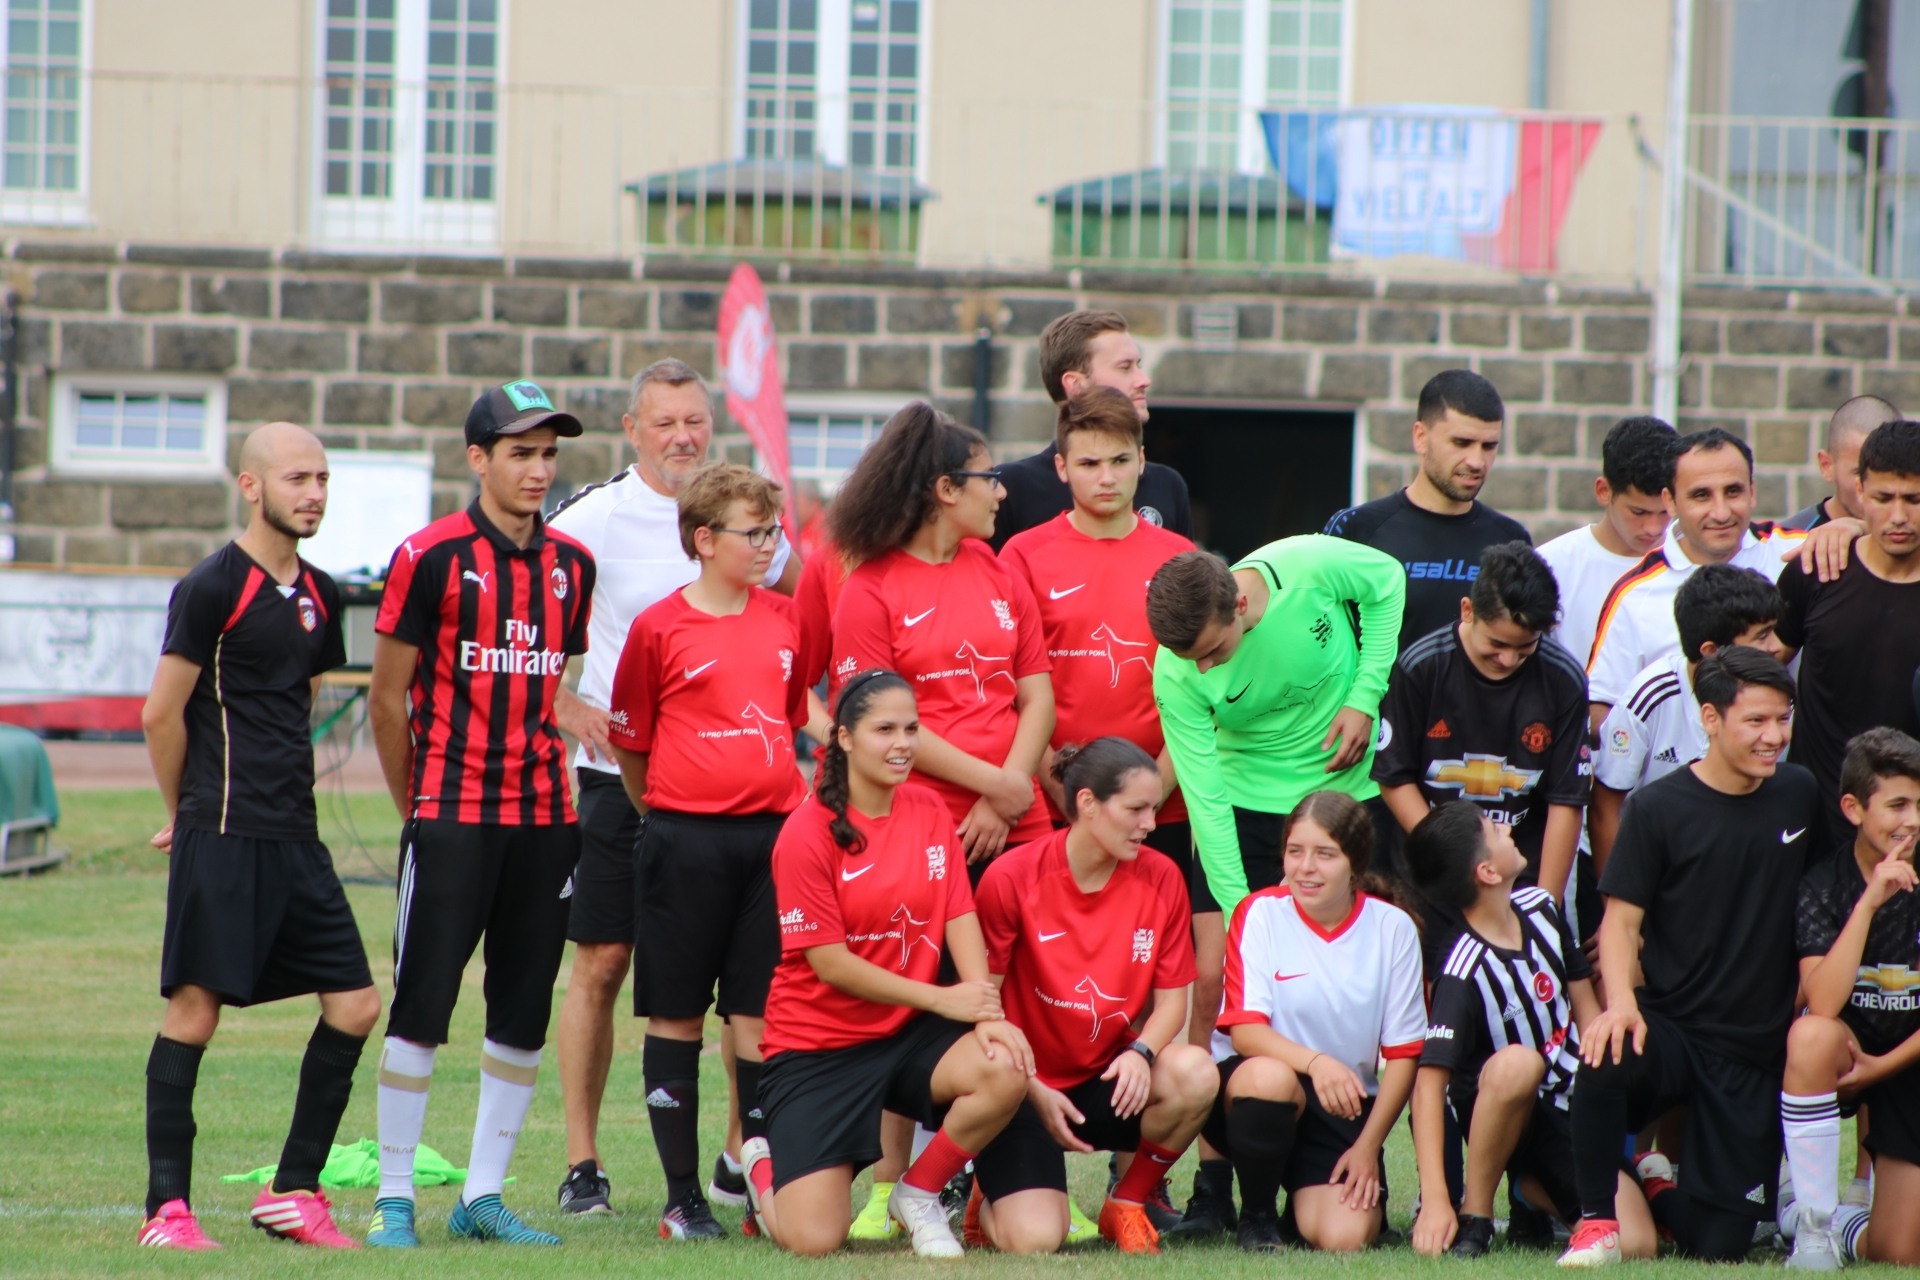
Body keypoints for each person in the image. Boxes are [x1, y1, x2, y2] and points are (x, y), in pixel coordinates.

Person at [547, 358, 797, 1217]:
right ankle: (583, 1162)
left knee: (746, 985)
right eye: (665, 423)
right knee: (604, 961)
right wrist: (565, 704)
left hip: (733, 801)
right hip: (621, 776)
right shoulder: (590, 518)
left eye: (695, 420)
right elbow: (523, 621)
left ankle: (737, 1157)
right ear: (632, 430)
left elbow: (785, 633)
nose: (683, 437)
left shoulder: (749, 519)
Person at [134, 423, 379, 1250]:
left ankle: (294, 1191)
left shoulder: (324, 594)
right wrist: (184, 811)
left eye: (323, 478)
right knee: (195, 1012)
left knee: (356, 1004)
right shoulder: (211, 587)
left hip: (296, 837)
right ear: (252, 486)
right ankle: (166, 1211)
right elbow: (160, 714)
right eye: (297, 478)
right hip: (223, 831)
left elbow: (299, 700)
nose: (313, 493)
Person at [365, 380, 596, 1249]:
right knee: (421, 1007)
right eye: (519, 453)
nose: (538, 470)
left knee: (523, 1013)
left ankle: (483, 1196)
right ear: (477, 459)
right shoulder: (428, 556)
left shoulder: (573, 566)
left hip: (545, 821)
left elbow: (556, 684)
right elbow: (386, 702)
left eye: (548, 454)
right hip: (451, 814)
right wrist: (419, 808)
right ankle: (395, 1198)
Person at [1143, 535, 1404, 1237]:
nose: (1202, 668)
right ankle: (1213, 1185)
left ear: (1239, 603)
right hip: (1245, 810)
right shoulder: (1176, 669)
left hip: (1343, 796)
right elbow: (1204, 797)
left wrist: (1364, 696)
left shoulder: (1307, 565)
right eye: (1190, 659)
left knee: (1359, 976)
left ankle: (1350, 1153)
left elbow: (1387, 581)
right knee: (1213, 983)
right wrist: (1245, 915)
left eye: (1212, 651)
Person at [737, 670, 1033, 1258]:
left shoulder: (927, 808)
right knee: (813, 1241)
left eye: (912, 729)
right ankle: (760, 1163)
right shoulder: (806, 832)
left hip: (906, 1032)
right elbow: (830, 964)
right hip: (819, 1045)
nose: (903, 743)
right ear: (844, 738)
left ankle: (918, 1193)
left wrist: (984, 1010)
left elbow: (958, 911)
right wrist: (942, 998)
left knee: (1003, 1066)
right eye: (885, 730)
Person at [602, 463, 809, 1240]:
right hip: (683, 840)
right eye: (753, 532)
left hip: (772, 842)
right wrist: (666, 812)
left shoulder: (787, 618)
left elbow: (791, 714)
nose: (768, 545)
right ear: (704, 539)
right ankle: (682, 1197)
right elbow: (632, 746)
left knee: (758, 1017)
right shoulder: (659, 627)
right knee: (678, 1016)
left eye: (772, 530)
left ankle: (756, 1185)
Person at [1559, 647, 1818, 1266]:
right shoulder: (1656, 808)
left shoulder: (1800, 793)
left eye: (1782, 719)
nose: (1774, 736)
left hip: (1751, 1049)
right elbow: (1621, 922)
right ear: (1710, 718)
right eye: (1756, 721)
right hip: (1669, 1027)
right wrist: (1621, 1004)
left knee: (1720, 1248)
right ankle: (1597, 1221)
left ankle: (1656, 1187)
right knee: (1605, 1051)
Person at [998, 385, 1199, 1026]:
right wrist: (1057, 789)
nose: (1105, 477)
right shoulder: (1023, 556)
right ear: (1061, 467)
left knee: (1148, 977)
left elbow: (1199, 701)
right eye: (1088, 463)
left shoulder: (1180, 559)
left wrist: (1149, 795)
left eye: (1119, 460)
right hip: (1055, 803)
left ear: (1142, 461)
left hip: (1162, 806)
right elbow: (1012, 691)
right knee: (1051, 975)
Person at [968, 738, 1214, 1255]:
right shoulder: (1012, 876)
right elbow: (983, 1008)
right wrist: (1030, 1086)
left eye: (1154, 809)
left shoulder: (1162, 876)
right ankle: (984, 1197)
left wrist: (1141, 1053)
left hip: (1105, 1075)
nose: (1151, 823)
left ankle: (1126, 1201)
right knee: (1036, 1240)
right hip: (1020, 1085)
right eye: (1136, 809)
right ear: (1087, 804)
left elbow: (1173, 1002)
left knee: (1195, 1072)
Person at [1406, 804, 1659, 1260]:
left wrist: (1602, 1090)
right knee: (1519, 1063)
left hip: (1571, 1106)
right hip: (1511, 1114)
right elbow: (1427, 1089)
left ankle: (1533, 1190)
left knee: (1638, 1243)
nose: (1506, 826)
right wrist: (1437, 1200)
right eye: (1493, 828)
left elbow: (1586, 1010)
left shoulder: (1542, 908)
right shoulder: (1462, 971)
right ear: (1487, 872)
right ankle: (1477, 1214)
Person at [828, 402, 1055, 868]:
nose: (1001, 492)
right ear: (947, 489)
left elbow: (1039, 700)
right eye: (989, 478)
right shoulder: (870, 589)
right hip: (925, 818)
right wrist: (995, 785)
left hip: (1017, 814)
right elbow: (881, 720)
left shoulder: (1003, 575)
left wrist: (1007, 793)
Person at [1201, 793, 1426, 1252]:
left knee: (1344, 1238)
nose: (1305, 868)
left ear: (1355, 862)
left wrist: (1368, 1147)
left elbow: (1405, 1055)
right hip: (1257, 1094)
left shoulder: (1394, 928)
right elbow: (1245, 1032)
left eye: (1325, 854)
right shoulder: (1259, 913)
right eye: (1295, 851)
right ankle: (1257, 1217)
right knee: (1268, 1077)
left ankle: (1299, 1209)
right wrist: (1317, 1063)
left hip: (1344, 1106)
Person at [1372, 541, 1591, 919]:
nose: (1508, 659)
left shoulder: (1563, 679)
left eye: (1525, 647)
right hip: (1431, 881)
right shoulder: (1421, 667)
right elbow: (1394, 778)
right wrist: (1454, 856)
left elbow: (1567, 801)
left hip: (1519, 882)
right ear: (1467, 610)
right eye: (1497, 644)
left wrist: (1545, 907)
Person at [1777, 728, 1920, 1269]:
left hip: (1907, 1060)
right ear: (1853, 808)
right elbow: (1823, 1003)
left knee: (1901, 1254)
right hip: (1844, 1053)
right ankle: (1813, 1227)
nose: (1913, 820)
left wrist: (1883, 1067)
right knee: (1810, 1035)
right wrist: (1867, 905)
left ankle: (1850, 1225)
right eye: (1898, 805)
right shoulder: (1823, 883)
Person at [1585, 427, 1814, 727]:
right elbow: (1600, 708)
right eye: (1701, 495)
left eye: (1733, 491)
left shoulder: (1804, 552)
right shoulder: (1634, 595)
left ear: (1752, 491)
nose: (1720, 512)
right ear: (1670, 501)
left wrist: (1853, 528)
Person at [1775, 419, 1920, 854]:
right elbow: (1759, 667)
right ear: (1860, 491)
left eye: (1914, 500)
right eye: (1883, 498)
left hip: (1909, 833)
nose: (1898, 516)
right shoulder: (1816, 569)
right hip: (1813, 831)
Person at [1590, 565, 1787, 869]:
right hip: (1649, 865)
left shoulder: (1776, 698)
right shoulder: (1650, 699)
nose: (1776, 646)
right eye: (1762, 636)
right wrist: (1616, 895)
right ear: (1710, 651)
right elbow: (1605, 810)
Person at [1324, 369, 1532, 653]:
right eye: (1461, 443)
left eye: (1489, 446)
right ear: (1421, 437)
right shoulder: (1356, 528)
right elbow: (1319, 641)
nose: (1476, 461)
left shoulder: (1511, 539)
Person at [987, 310, 1191, 551]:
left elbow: (1194, 574)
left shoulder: (1167, 485)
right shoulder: (1010, 488)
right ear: (1076, 385)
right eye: (1125, 367)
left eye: (1138, 365)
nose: (1144, 380)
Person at [1536, 416, 1676, 665]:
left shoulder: (1696, 564)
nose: (1654, 528)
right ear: (1604, 491)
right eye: (1638, 512)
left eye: (1665, 511)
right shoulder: (1550, 566)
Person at [1785, 395, 1900, 532]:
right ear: (1826, 466)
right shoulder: (1790, 539)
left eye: (1887, 473)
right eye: (1860, 474)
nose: (1874, 489)